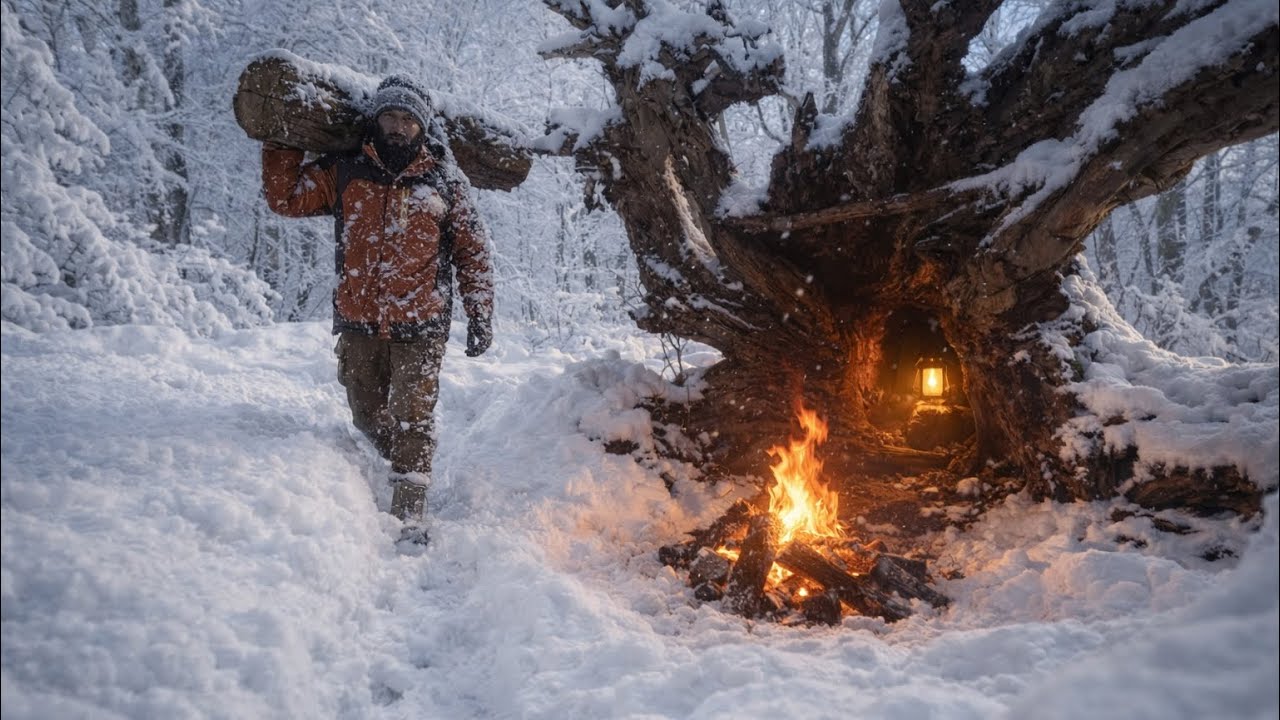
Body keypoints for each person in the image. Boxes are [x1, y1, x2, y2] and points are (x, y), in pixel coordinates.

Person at [261, 76, 494, 545]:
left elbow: (473, 251)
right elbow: (285, 199)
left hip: (421, 322)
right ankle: (404, 462)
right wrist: (280, 135)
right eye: (390, 116)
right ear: (374, 120)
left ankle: (410, 510)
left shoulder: (445, 182)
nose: (398, 127)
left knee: (413, 415)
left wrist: (480, 312)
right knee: (367, 415)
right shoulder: (345, 171)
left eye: (408, 119)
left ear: (422, 127)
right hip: (359, 320)